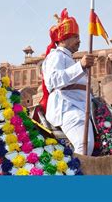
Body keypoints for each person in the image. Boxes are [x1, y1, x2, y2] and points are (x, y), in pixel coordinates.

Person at [40, 9, 95, 155]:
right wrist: (81, 66)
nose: (79, 40)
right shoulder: (56, 56)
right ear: (64, 39)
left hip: (81, 107)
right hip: (68, 107)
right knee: (84, 145)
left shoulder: (69, 58)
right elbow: (52, 80)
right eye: (75, 37)